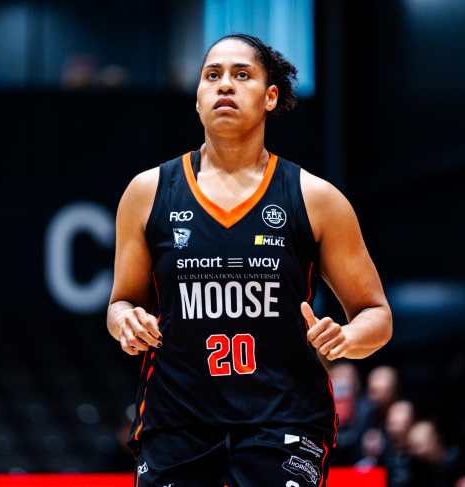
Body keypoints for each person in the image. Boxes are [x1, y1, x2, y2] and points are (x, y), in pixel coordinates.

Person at [107, 33, 392, 486]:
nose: (225, 85)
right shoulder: (147, 192)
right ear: (197, 99)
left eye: (242, 75)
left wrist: (346, 338)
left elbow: (376, 314)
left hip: (284, 420)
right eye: (212, 76)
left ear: (270, 97)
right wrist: (124, 321)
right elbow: (120, 303)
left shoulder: (315, 198)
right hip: (175, 420)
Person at [330, 363, 374, 465]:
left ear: (356, 384)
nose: (340, 383)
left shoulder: (368, 409)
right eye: (336, 379)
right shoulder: (322, 411)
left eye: (345, 378)